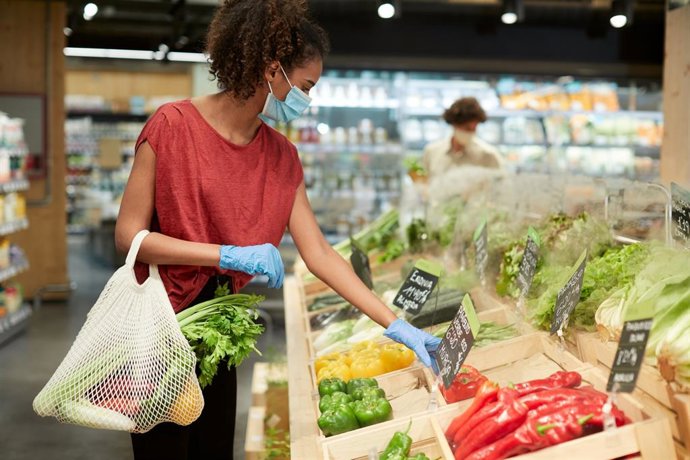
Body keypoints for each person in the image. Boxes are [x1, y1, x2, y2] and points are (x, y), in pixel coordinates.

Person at [114, 1, 440, 459]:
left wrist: (396, 324)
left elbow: (321, 254)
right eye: (306, 86)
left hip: (219, 330)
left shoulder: (281, 156)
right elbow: (130, 238)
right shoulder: (172, 126)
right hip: (160, 330)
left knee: (212, 451)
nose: (308, 99)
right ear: (271, 70)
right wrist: (224, 255)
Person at [423, 97, 502, 180]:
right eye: (467, 128)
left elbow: (499, 187)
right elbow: (425, 183)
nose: (470, 133)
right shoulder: (432, 152)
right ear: (454, 124)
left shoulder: (488, 155)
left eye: (474, 128)